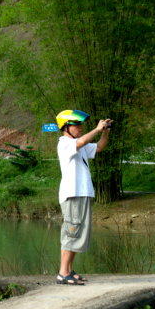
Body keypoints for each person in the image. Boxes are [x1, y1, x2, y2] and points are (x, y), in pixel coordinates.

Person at [55, 109, 112, 285]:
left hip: (82, 193)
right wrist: (96, 129)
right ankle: (63, 273)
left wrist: (105, 133)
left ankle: (69, 270)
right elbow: (81, 142)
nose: (80, 127)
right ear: (66, 128)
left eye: (80, 125)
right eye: (76, 125)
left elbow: (100, 147)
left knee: (77, 232)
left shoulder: (78, 145)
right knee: (71, 232)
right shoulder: (65, 143)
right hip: (73, 194)